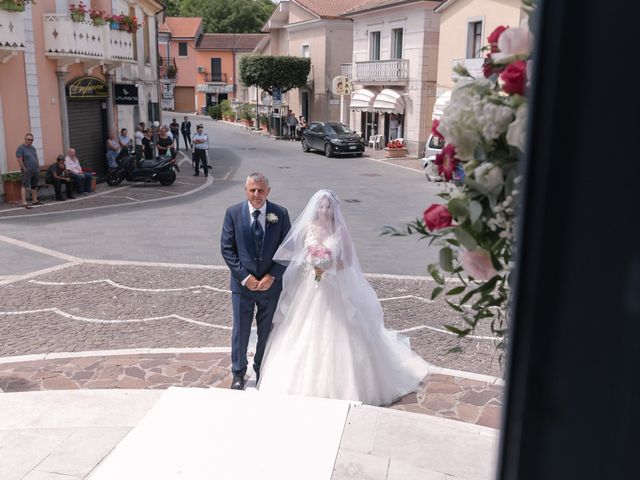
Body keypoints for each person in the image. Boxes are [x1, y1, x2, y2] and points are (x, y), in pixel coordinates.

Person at [257, 190, 429, 406]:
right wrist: (311, 263)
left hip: (332, 287)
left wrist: (327, 266)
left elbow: (347, 261)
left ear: (334, 209)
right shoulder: (307, 228)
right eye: (321, 206)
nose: (324, 210)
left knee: (341, 330)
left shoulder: (340, 231)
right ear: (315, 208)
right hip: (309, 286)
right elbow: (294, 253)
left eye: (328, 206)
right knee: (303, 328)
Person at [220, 173, 292, 390]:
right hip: (243, 286)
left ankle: (262, 368)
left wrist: (272, 276)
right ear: (246, 190)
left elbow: (288, 248)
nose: (257, 194)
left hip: (270, 286)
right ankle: (238, 373)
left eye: (261, 190)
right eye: (252, 190)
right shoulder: (233, 213)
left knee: (266, 330)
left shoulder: (280, 214)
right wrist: (245, 278)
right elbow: (227, 248)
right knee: (240, 330)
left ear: (268, 191)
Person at [15, 132, 43, 209]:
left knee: (34, 186)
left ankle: (34, 200)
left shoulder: (33, 148)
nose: (30, 141)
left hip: (35, 170)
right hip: (27, 170)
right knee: (24, 185)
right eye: (28, 139)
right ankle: (24, 202)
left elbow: (36, 157)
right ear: (25, 139)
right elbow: (19, 160)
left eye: (31, 140)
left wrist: (38, 167)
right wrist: (24, 168)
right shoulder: (20, 148)